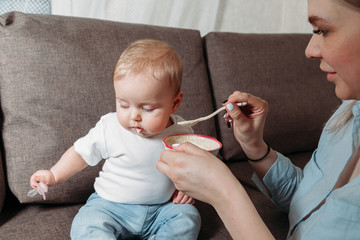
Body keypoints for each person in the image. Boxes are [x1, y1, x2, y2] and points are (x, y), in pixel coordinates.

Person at [156, 0, 360, 239]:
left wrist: (224, 193)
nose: (309, 50)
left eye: (322, 30)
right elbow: (311, 201)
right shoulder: (347, 113)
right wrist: (254, 146)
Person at [29, 39, 201, 240]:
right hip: (110, 206)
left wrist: (189, 189)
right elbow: (80, 153)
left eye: (146, 108)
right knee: (85, 224)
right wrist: (53, 175)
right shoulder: (109, 127)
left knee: (188, 217)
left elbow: (197, 167)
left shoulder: (183, 132)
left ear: (175, 103)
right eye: (124, 105)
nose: (134, 116)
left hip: (161, 209)